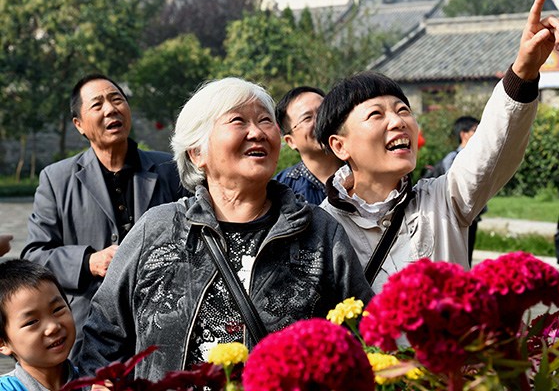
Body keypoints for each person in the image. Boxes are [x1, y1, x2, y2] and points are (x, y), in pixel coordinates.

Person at [78, 77, 374, 380]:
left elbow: (364, 338)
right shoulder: (156, 230)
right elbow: (104, 335)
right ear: (197, 152)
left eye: (265, 120)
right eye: (238, 121)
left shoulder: (318, 231)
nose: (257, 132)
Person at [315, 0, 559, 292]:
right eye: (376, 114)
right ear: (339, 145)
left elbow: (494, 146)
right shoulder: (321, 229)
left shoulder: (445, 199)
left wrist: (524, 72)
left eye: (403, 110)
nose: (398, 121)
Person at [21, 74, 186, 358]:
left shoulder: (169, 169)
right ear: (79, 125)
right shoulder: (57, 179)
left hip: (163, 327)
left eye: (117, 99)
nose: (111, 109)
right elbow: (34, 255)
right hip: (91, 333)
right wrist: (89, 262)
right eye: (97, 105)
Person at [0, 260, 77, 391]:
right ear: (2, 343)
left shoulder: (96, 381)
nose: (53, 327)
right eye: (31, 322)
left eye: (57, 309)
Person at [426, 116, 485, 266]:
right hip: (453, 217)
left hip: (472, 216)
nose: (479, 134)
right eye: (475, 130)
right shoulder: (454, 158)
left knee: (467, 259)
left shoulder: (476, 157)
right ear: (463, 134)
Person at [274, 86, 342, 204]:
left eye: (323, 111)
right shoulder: (282, 191)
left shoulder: (362, 163)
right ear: (291, 141)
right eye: (307, 118)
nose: (321, 121)